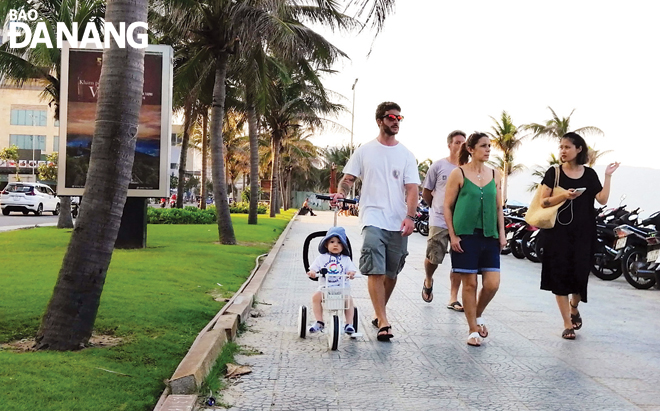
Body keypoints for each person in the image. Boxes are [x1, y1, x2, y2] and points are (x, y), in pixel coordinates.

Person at [332, 101, 420, 342]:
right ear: (380, 120)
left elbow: (412, 189)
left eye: (399, 118)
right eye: (391, 117)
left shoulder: (406, 155)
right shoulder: (364, 151)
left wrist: (410, 217)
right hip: (371, 216)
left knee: (392, 272)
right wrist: (342, 193)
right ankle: (383, 320)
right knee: (375, 268)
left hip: (397, 220)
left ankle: (378, 311)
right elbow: (348, 180)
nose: (396, 121)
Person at [538, 132, 619, 340]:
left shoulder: (590, 174)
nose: (563, 151)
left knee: (580, 274)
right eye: (561, 147)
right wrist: (565, 195)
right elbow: (543, 202)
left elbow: (601, 199)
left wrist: (608, 176)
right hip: (558, 234)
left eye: (567, 147)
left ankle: (574, 306)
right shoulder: (554, 173)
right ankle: (567, 324)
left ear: (578, 149)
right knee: (559, 275)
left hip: (584, 233)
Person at [444, 132, 506, 347]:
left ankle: (477, 315)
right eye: (483, 146)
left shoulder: (496, 174)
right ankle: (472, 330)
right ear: (471, 149)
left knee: (492, 284)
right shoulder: (458, 173)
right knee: (469, 284)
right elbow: (447, 206)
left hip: (489, 235)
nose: (488, 149)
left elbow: (499, 207)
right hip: (465, 235)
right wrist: (452, 235)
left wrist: (502, 234)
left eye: (489, 146)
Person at [421, 130, 467, 311]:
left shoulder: (468, 168)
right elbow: (426, 192)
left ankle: (453, 297)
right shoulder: (438, 166)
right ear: (449, 145)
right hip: (439, 220)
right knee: (434, 256)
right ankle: (428, 278)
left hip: (461, 221)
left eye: (463, 142)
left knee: (459, 260)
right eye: (457, 142)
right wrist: (437, 208)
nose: (460, 146)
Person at [307, 227, 357, 334]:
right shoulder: (321, 258)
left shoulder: (346, 259)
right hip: (325, 289)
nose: (335, 245)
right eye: (332, 242)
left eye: (339, 243)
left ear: (343, 246)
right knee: (316, 297)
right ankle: (319, 321)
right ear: (326, 244)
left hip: (341, 289)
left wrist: (351, 273)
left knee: (349, 300)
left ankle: (349, 324)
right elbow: (313, 268)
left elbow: (351, 269)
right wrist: (312, 272)